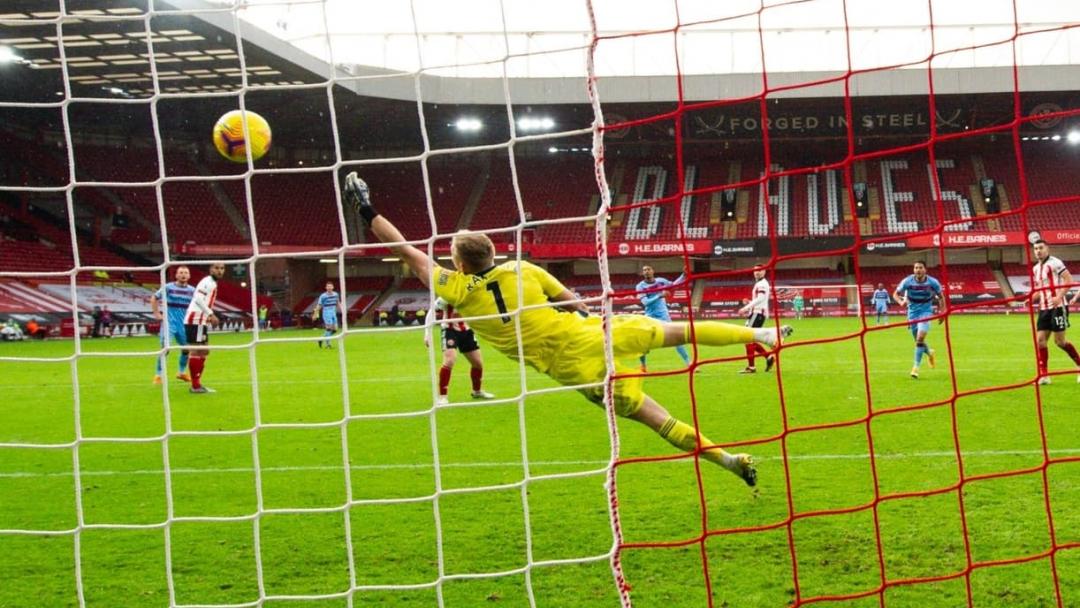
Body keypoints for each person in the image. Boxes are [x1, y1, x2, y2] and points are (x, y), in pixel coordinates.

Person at [345, 172, 793, 487]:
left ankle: (730, 461)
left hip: (576, 369)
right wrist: (595, 317)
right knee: (681, 332)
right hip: (594, 333)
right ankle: (760, 336)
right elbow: (573, 303)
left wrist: (366, 207)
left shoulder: (456, 287)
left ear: (460, 263)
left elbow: (406, 251)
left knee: (658, 419)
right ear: (494, 252)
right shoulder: (523, 268)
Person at [1031, 239, 1080, 384]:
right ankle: (1044, 375)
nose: (1038, 251)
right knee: (1040, 341)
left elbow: (1069, 280)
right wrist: (1031, 299)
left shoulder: (1055, 262)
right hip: (1044, 308)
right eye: (1035, 249)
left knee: (1060, 342)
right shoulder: (1035, 269)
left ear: (1047, 248)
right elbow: (1040, 289)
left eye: (1040, 248)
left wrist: (1059, 297)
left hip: (1058, 307)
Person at [432, 297, 495, 405]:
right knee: (449, 360)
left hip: (466, 330)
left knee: (477, 363)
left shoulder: (469, 292)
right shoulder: (447, 295)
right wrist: (427, 334)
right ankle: (442, 396)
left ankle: (477, 391)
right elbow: (431, 310)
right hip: (449, 330)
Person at [893, 261, 943, 379]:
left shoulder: (933, 282)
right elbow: (895, 293)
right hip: (912, 313)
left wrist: (942, 312)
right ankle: (929, 352)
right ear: (913, 269)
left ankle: (915, 368)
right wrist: (901, 302)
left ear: (925, 270)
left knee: (920, 338)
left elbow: (941, 297)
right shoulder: (907, 281)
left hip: (926, 312)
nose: (918, 270)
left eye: (920, 267)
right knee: (918, 341)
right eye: (916, 268)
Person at [636, 265, 690, 371]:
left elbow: (674, 285)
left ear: (653, 271)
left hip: (663, 315)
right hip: (649, 316)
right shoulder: (640, 286)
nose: (646, 271)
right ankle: (643, 365)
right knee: (642, 340)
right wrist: (660, 295)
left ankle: (689, 363)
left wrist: (683, 275)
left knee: (677, 339)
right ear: (643, 273)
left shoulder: (661, 281)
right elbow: (645, 302)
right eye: (644, 270)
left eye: (648, 269)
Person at [150, 265, 195, 385]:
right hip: (169, 322)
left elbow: (197, 305)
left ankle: (181, 372)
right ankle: (158, 375)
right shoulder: (168, 287)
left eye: (186, 272)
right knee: (166, 348)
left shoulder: (192, 290)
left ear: (189, 276)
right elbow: (154, 298)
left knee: (187, 349)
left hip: (184, 324)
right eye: (181, 272)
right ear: (176, 275)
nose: (183, 275)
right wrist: (157, 313)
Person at [184, 263, 224, 393]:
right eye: (217, 268)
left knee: (204, 351)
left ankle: (197, 384)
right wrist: (211, 314)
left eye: (222, 268)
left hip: (200, 319)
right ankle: (195, 386)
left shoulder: (211, 282)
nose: (219, 271)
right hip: (196, 319)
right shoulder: (208, 282)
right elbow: (198, 300)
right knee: (198, 351)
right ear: (211, 269)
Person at [737, 267, 775, 374]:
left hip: (757, 313)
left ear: (764, 272)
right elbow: (760, 299)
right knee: (750, 340)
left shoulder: (762, 284)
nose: (757, 272)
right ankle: (768, 357)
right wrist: (749, 302)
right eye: (755, 270)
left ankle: (751, 367)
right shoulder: (760, 283)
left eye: (760, 270)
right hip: (757, 313)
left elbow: (760, 299)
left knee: (747, 339)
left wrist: (746, 307)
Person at [312, 281, 340, 349]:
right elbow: (319, 305)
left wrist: (342, 309)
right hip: (327, 313)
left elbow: (337, 302)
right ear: (326, 288)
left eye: (330, 286)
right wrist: (315, 314)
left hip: (333, 312)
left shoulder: (336, 294)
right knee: (329, 329)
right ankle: (328, 345)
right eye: (328, 286)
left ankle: (321, 339)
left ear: (333, 287)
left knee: (335, 329)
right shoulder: (323, 296)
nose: (329, 288)